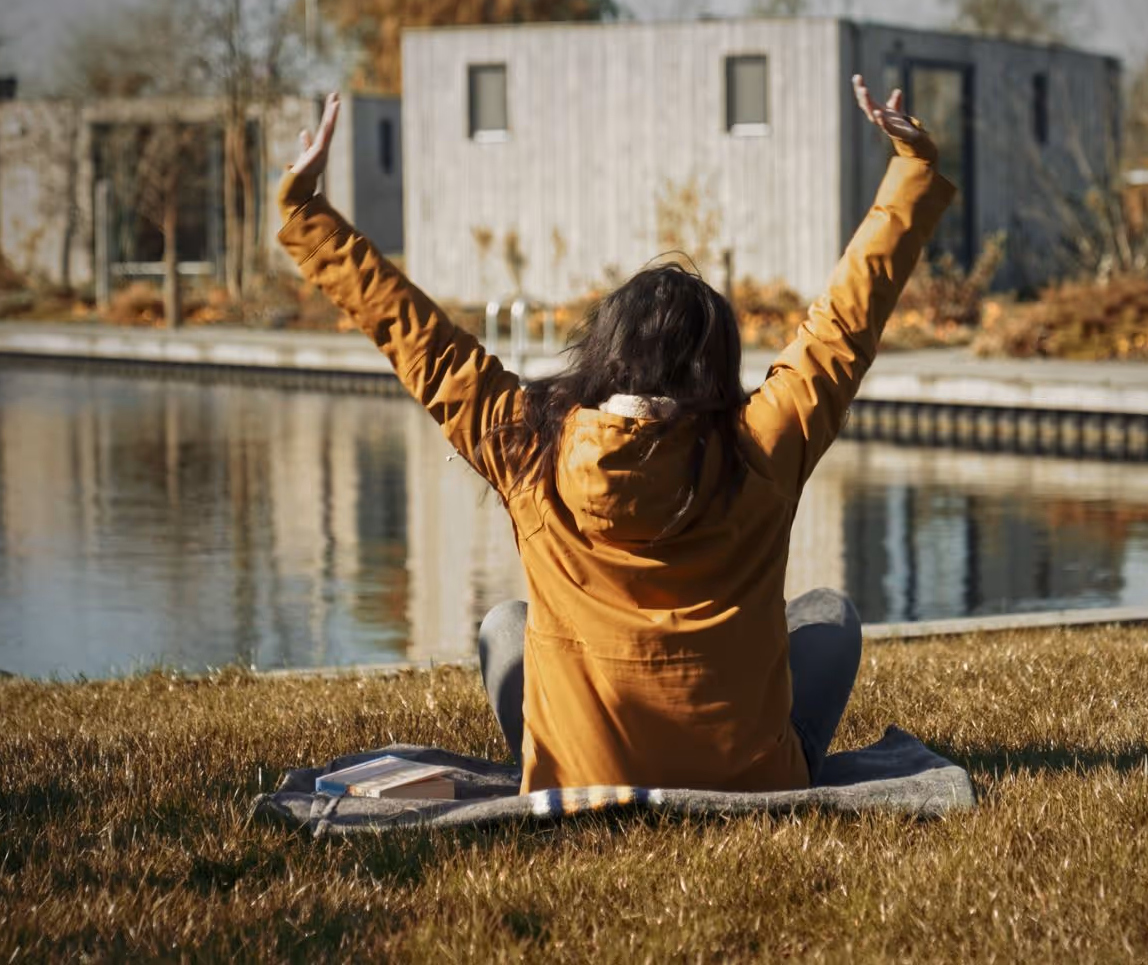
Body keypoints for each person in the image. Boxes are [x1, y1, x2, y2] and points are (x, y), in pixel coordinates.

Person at [277, 76, 955, 792]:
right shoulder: (763, 444)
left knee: (505, 624)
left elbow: (422, 342)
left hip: (578, 776)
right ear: (717, 362)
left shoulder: (531, 444)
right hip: (749, 776)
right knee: (830, 616)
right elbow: (846, 320)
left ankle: (567, 759)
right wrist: (910, 172)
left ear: (604, 352)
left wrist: (306, 212)